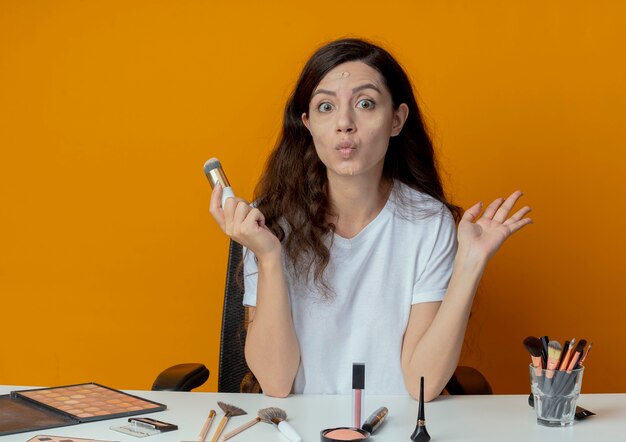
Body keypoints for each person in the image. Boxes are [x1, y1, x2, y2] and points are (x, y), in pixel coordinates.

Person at [209, 38, 532, 401]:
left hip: (395, 426)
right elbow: (275, 382)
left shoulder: (429, 223)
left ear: (396, 119)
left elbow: (421, 384)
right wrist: (269, 257)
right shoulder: (269, 222)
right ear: (308, 125)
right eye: (326, 107)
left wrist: (469, 264)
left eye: (365, 103)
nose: (345, 124)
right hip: (300, 426)